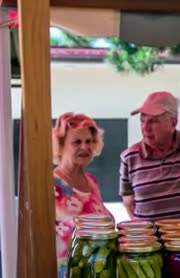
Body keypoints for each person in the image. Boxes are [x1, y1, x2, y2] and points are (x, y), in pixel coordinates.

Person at [119, 91, 180, 221]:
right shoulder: (129, 157)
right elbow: (129, 203)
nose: (145, 128)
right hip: (147, 238)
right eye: (142, 121)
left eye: (153, 121)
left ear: (173, 122)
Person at [53, 112, 110, 278]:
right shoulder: (51, 185)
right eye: (77, 142)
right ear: (61, 144)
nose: (85, 147)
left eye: (89, 141)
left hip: (98, 270)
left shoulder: (91, 182)